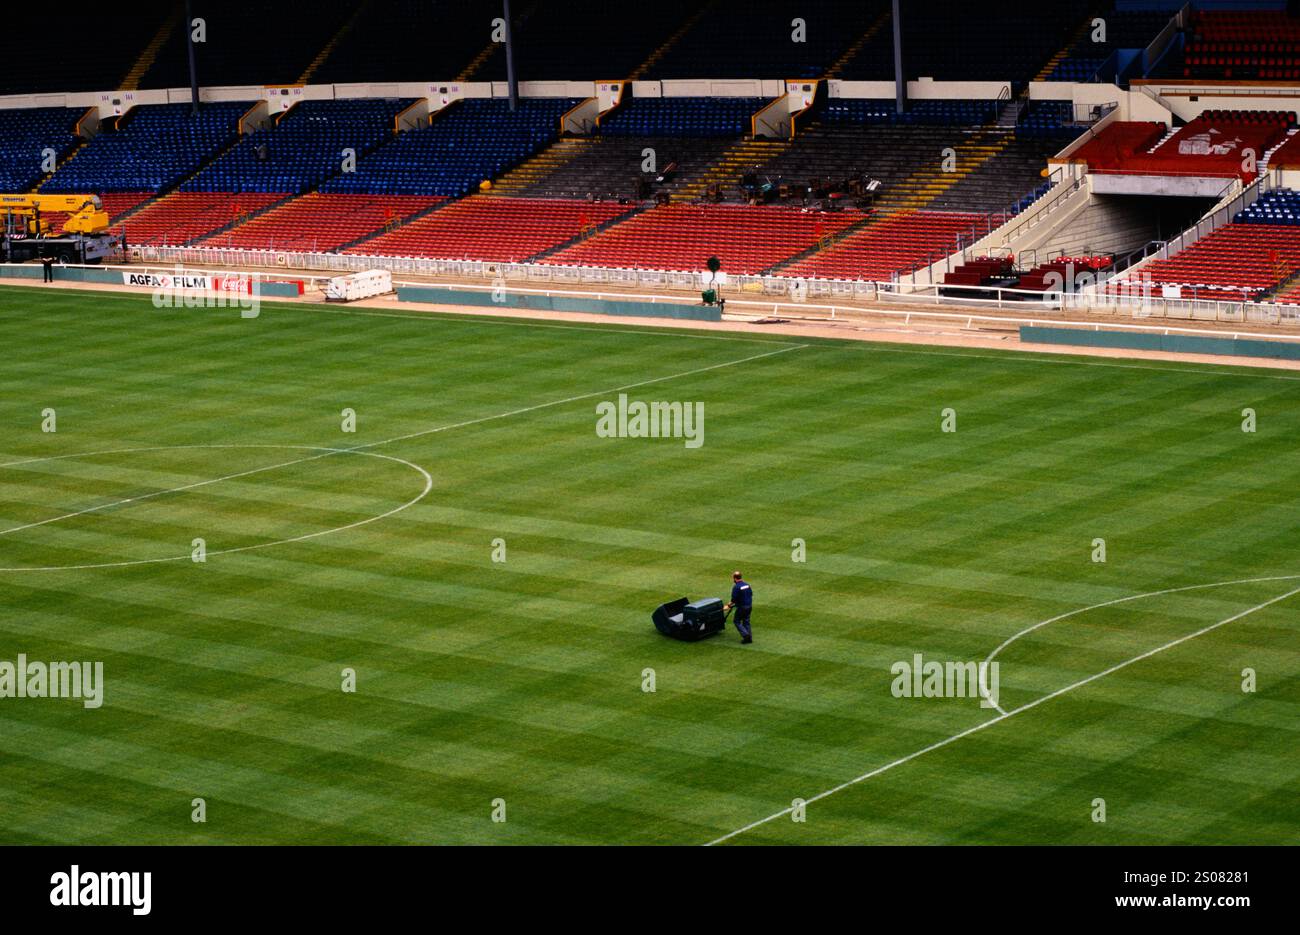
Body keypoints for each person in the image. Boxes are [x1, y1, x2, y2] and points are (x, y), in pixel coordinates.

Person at [723, 570, 753, 644]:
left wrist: (728, 606)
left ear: (735, 578)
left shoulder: (736, 587)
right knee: (746, 621)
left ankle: (746, 635)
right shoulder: (747, 585)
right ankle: (749, 637)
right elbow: (750, 594)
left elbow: (734, 599)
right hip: (749, 606)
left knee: (737, 621)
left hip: (742, 607)